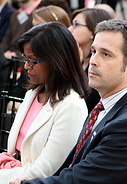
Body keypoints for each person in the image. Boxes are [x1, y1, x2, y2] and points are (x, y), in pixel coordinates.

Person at [10, 19, 127, 184]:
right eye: (93, 51)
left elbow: (81, 179)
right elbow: (73, 168)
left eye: (106, 54)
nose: (92, 60)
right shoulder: (108, 107)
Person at [0, 22, 89, 183]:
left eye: (33, 61)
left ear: (56, 60)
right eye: (25, 59)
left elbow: (46, 171)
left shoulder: (72, 106)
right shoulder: (33, 93)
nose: (27, 66)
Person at [68, 8, 111, 112]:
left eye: (76, 25)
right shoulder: (77, 59)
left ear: (93, 30)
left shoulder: (100, 67)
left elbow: (83, 102)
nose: (70, 29)